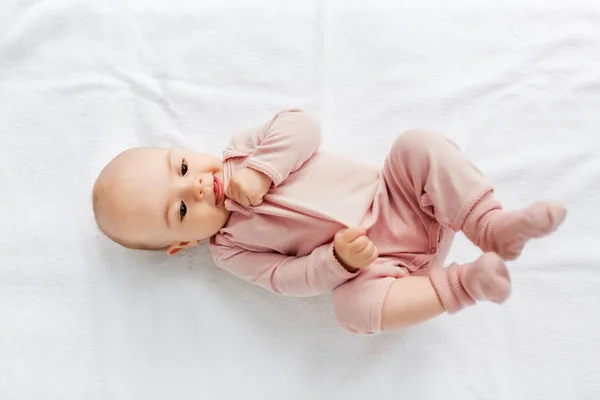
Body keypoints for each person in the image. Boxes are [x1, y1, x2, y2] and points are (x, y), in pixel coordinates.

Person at [92, 109, 566, 334]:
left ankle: (490, 225)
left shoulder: (244, 148)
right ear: (182, 245)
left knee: (416, 145)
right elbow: (285, 279)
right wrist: (336, 261)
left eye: (181, 168)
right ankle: (465, 284)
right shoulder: (230, 250)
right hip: (383, 269)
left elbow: (301, 125)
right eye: (179, 211)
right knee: (352, 311)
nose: (195, 186)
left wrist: (262, 170)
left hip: (400, 196)